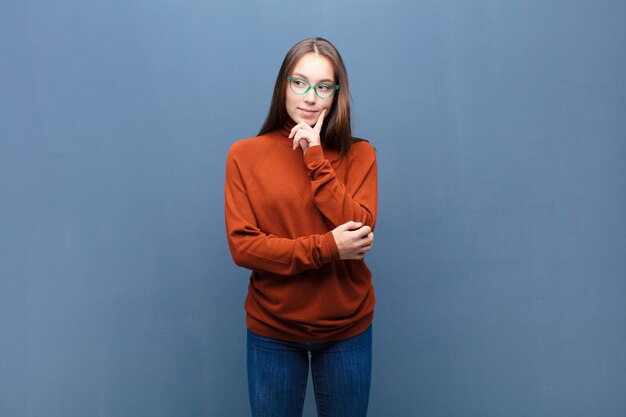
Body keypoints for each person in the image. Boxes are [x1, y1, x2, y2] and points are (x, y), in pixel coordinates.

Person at [224, 37, 378, 417]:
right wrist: (328, 247)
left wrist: (315, 156)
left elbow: (358, 231)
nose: (310, 97)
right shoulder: (245, 155)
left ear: (335, 95)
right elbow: (244, 248)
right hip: (273, 329)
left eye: (323, 86)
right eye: (299, 83)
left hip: (347, 328)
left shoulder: (360, 154)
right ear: (283, 85)